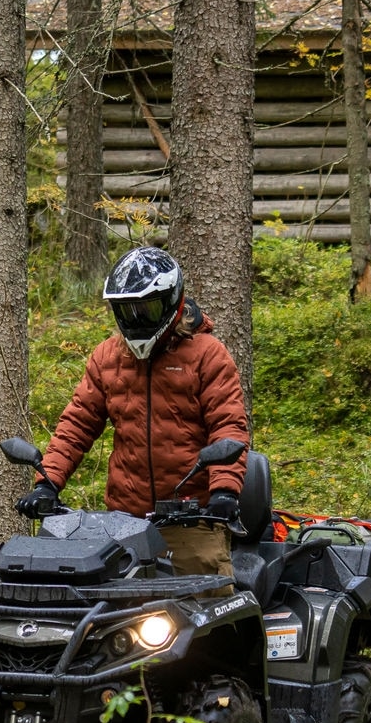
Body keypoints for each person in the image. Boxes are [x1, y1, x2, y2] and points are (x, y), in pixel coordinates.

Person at [18, 246, 250, 577]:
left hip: (190, 520)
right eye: (128, 311)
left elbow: (227, 426)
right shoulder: (108, 357)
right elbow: (77, 425)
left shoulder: (207, 355)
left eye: (147, 308)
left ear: (172, 302)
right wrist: (47, 483)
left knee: (206, 601)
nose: (137, 319)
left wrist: (224, 492)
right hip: (121, 523)